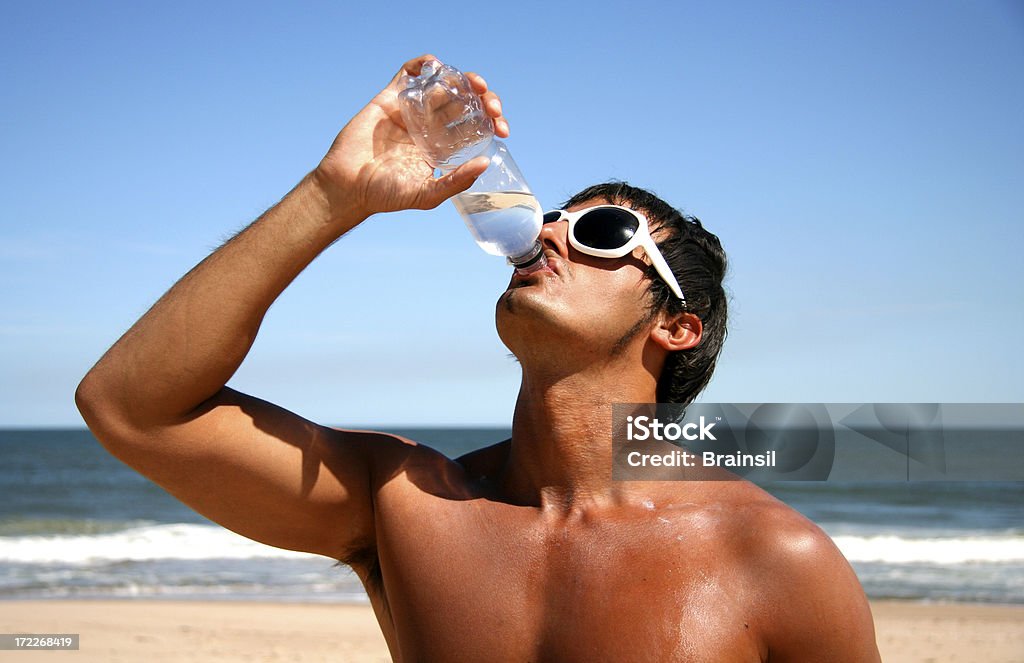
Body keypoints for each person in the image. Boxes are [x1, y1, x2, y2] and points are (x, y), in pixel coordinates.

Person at [76, 55, 880, 661]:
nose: (553, 231)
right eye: (558, 216)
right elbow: (129, 406)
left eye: (604, 234)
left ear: (677, 327)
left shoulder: (776, 560)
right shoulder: (404, 503)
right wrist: (333, 194)